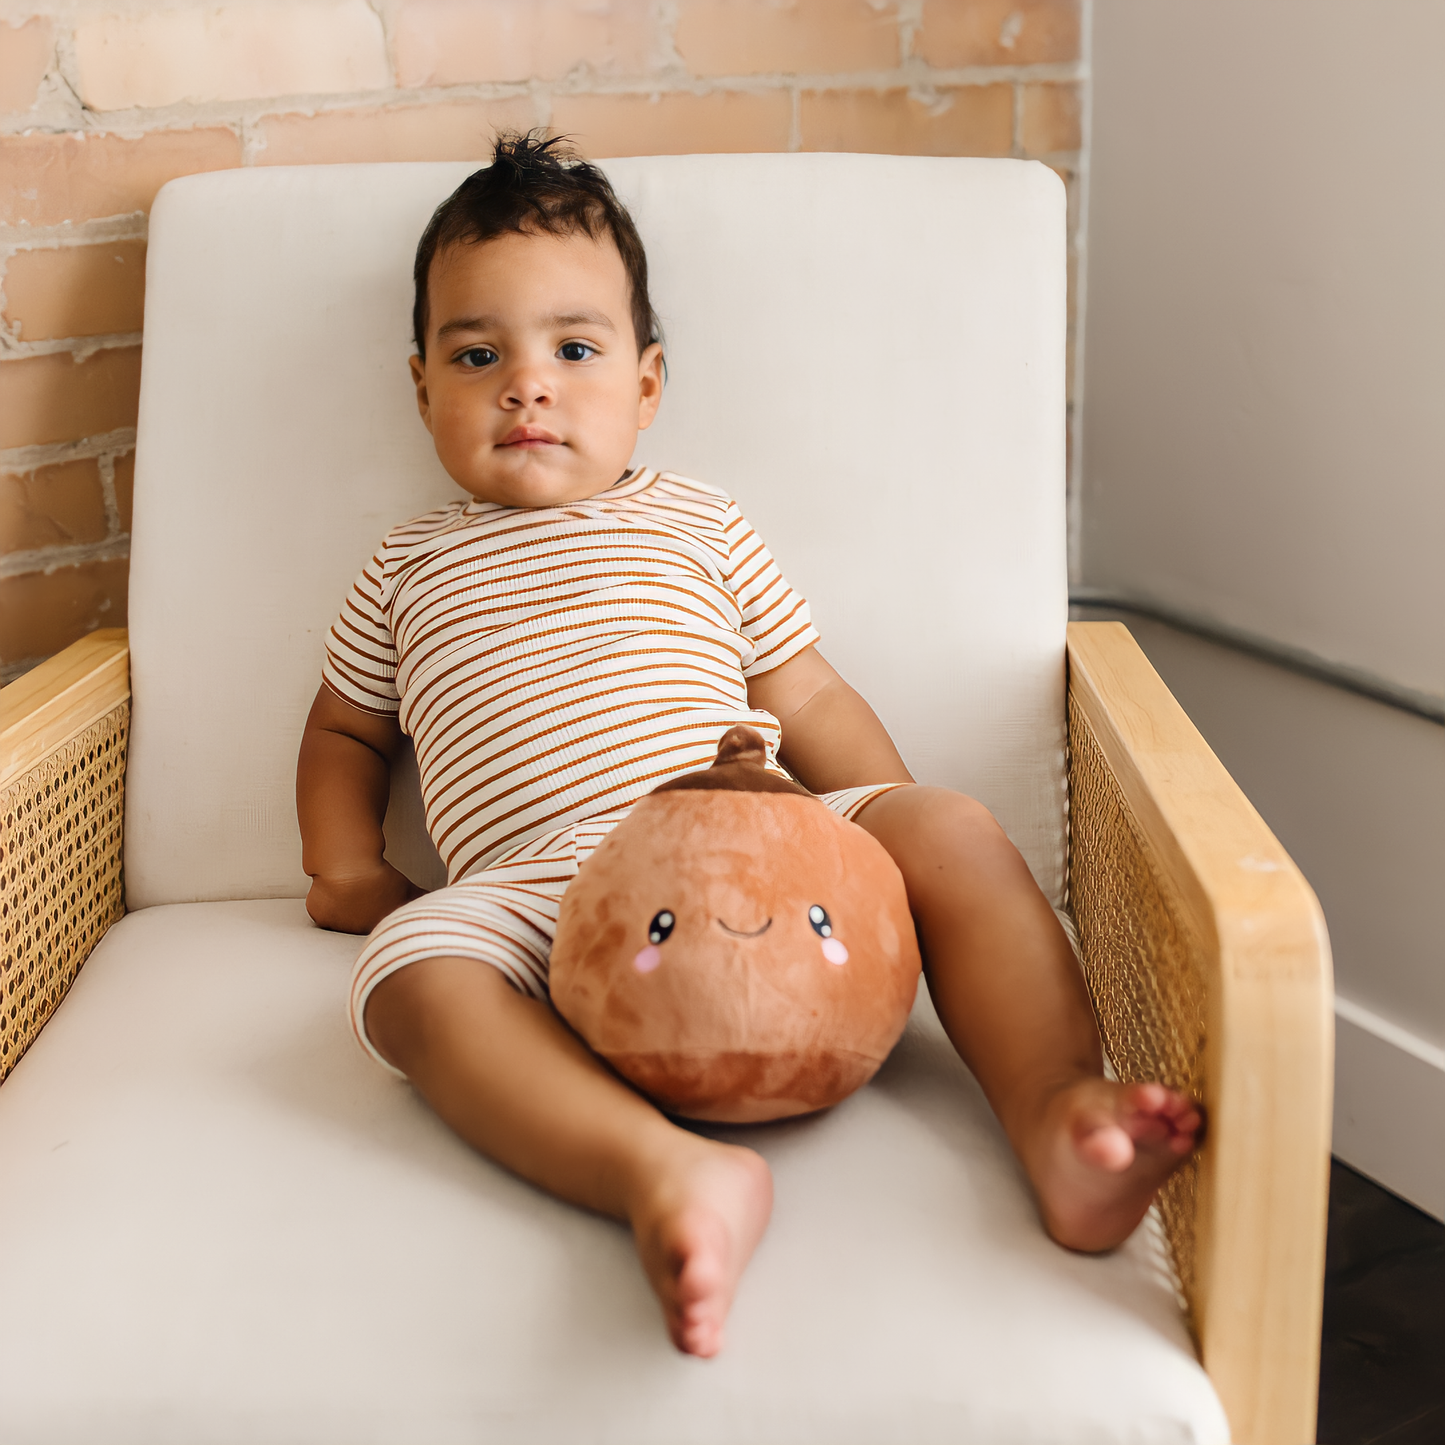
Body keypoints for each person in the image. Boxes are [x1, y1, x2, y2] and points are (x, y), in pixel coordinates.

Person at [296, 132, 1202, 1361]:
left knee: (947, 828)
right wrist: (347, 865)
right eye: (476, 354)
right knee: (410, 973)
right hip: (550, 888)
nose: (527, 385)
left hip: (755, 834)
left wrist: (879, 820)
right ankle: (660, 1173)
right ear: (421, 389)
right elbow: (346, 729)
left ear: (646, 382)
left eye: (573, 348)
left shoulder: (699, 521)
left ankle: (1055, 1112)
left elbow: (810, 693)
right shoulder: (404, 567)